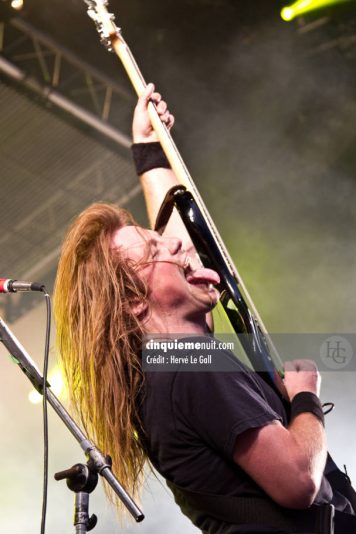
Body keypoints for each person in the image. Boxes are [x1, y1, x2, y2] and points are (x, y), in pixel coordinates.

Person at [53, 84, 355, 533]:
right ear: (135, 302)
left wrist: (150, 153)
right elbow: (297, 482)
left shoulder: (169, 365)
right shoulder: (189, 369)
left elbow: (184, 239)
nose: (176, 244)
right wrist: (305, 395)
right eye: (155, 249)